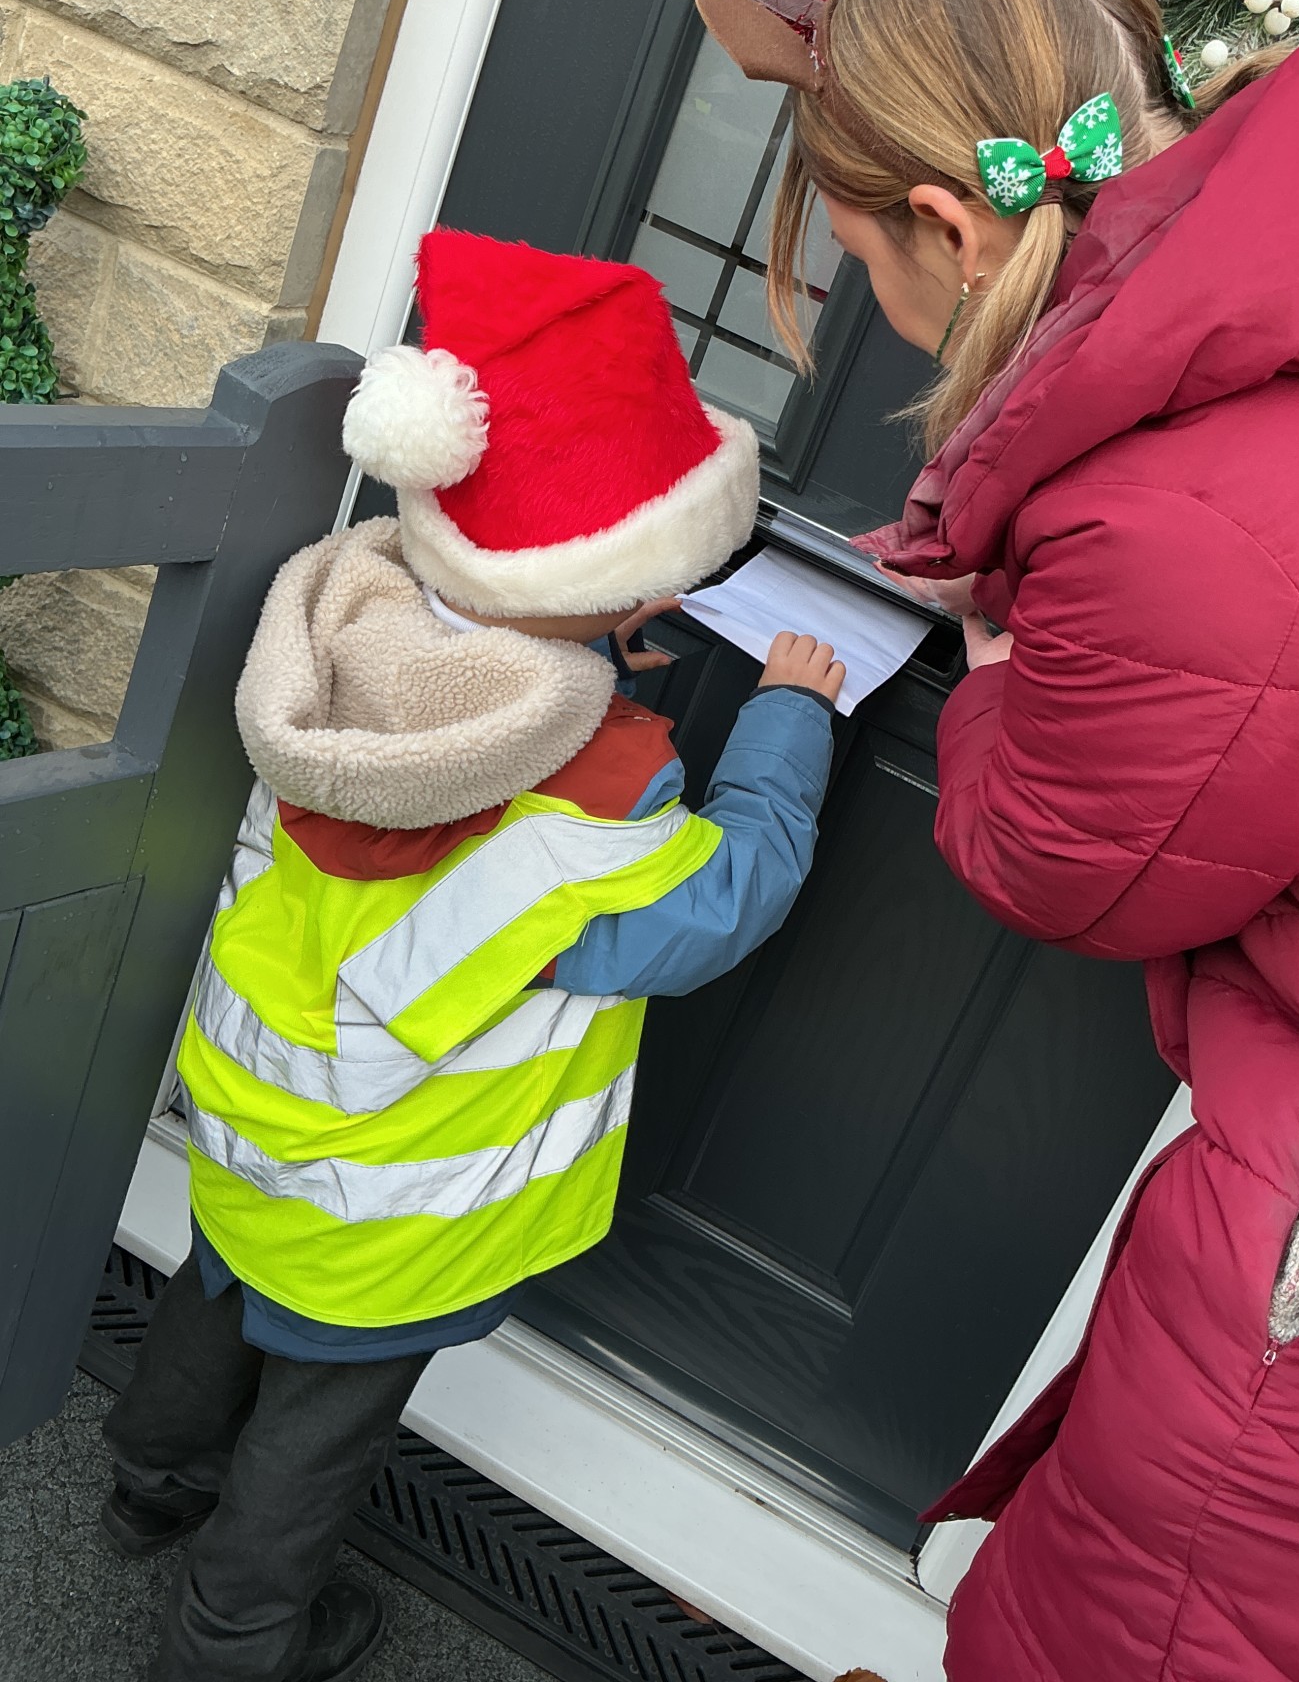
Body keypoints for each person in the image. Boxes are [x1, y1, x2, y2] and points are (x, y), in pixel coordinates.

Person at [759, 0, 1299, 1680]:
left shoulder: (1175, 523)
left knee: (1163, 1622)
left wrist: (1000, 653)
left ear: (948, 226)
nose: (883, 306)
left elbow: (1070, 862)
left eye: (870, 267)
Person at [99, 231, 845, 1682]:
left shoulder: (336, 641)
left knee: (213, 1309)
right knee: (315, 1437)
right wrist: (788, 719)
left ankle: (149, 1481)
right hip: (395, 1209)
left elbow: (470, 720)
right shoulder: (605, 797)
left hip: (259, 1132)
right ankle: (231, 1640)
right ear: (616, 588)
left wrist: (571, 654)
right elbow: (728, 898)